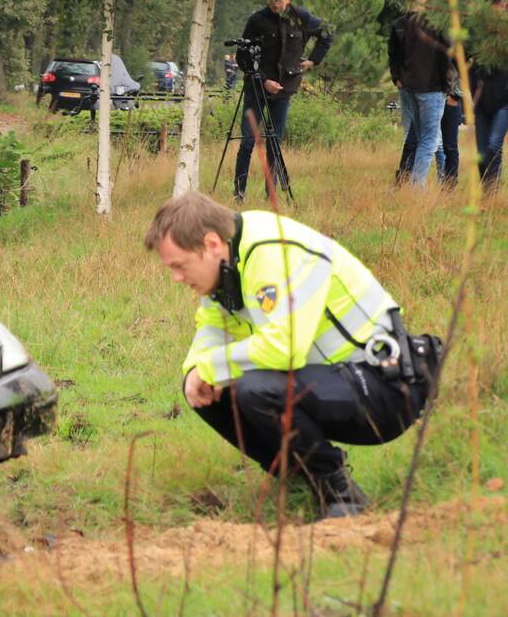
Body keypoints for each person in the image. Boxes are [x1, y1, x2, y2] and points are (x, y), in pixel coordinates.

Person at [144, 192, 438, 519]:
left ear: (211, 243)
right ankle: (301, 483)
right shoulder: (228, 263)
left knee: (254, 388)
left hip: (386, 389)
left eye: (180, 266)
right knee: (206, 392)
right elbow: (213, 325)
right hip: (333, 384)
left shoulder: (273, 252)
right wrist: (195, 370)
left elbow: (285, 349)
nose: (176, 278)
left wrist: (211, 367)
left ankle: (341, 496)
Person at [233, 0, 333, 202]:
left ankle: (272, 192)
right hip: (257, 88)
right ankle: (239, 193)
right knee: (249, 139)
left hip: (285, 88)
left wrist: (313, 61)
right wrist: (263, 80)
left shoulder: (301, 18)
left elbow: (327, 33)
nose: (274, 3)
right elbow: (243, 57)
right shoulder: (257, 20)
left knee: (274, 141)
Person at [388, 0, 452, 188]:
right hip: (429, 89)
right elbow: (445, 57)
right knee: (429, 141)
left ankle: (423, 183)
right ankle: (417, 188)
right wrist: (447, 86)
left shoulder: (405, 24)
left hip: (413, 88)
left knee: (422, 136)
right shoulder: (433, 25)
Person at [471, 0, 508, 192]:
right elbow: (463, 60)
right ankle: (487, 190)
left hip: (505, 100)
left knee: (494, 145)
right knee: (482, 151)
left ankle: (491, 190)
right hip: (482, 100)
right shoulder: (477, 33)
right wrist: (472, 88)